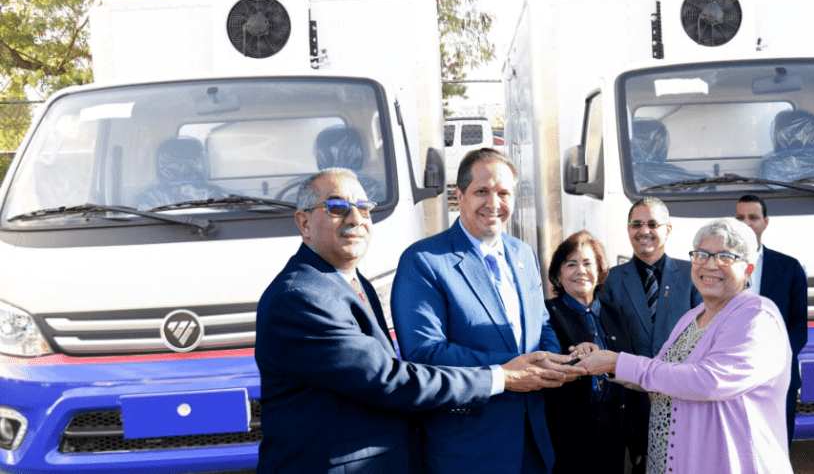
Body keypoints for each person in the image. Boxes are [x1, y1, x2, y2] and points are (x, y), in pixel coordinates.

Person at [255, 167, 581, 474]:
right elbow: (389, 379)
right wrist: (501, 376)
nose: (355, 218)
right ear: (304, 222)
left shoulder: (349, 281)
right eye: (337, 207)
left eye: (364, 207)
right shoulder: (301, 297)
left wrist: (567, 360)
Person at [391, 148, 566, 474]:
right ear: (459, 196)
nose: (494, 203)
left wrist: (551, 360)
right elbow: (424, 352)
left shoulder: (523, 254)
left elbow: (541, 323)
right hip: (469, 449)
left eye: (504, 193)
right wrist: (512, 370)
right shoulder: (424, 260)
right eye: (482, 191)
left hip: (533, 444)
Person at [577, 218, 793, 474]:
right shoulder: (693, 316)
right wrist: (607, 362)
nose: (710, 265)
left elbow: (708, 381)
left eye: (725, 257)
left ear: (748, 269)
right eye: (702, 255)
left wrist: (618, 362)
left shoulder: (757, 316)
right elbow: (660, 374)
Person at [543, 231, 645, 474]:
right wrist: (573, 358)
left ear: (599, 271)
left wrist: (641, 437)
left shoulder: (616, 313)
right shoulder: (547, 312)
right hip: (567, 434)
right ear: (558, 274)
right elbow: (546, 364)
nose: (580, 271)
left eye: (588, 263)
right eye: (571, 264)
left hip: (614, 430)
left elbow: (633, 372)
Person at [735, 194, 808, 445]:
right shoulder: (719, 266)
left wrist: (775, 357)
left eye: (753, 217)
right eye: (740, 218)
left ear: (765, 222)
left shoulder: (789, 267)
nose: (746, 223)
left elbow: (799, 324)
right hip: (732, 376)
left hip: (778, 375)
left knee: (776, 448)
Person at [602, 197, 703, 359]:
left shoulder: (692, 274)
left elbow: (705, 329)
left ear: (668, 230)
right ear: (629, 229)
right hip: (628, 374)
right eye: (637, 224)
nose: (644, 231)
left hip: (679, 372)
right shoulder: (610, 280)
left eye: (652, 224)